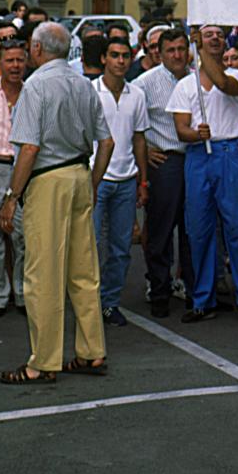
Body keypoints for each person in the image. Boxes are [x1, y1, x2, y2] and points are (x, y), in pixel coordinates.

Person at [0, 22, 113, 384]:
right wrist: (91, 182)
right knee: (83, 270)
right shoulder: (83, 84)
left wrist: (11, 197)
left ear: (36, 49)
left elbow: (29, 148)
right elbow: (106, 142)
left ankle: (43, 361)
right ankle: (91, 351)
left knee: (43, 274)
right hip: (79, 173)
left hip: (49, 179)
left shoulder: (35, 87)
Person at [168, 24, 238, 327]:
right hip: (198, 157)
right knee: (199, 230)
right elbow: (180, 128)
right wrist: (194, 134)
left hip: (229, 155)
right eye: (207, 34)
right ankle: (203, 299)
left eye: (218, 35)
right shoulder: (185, 85)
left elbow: (222, 82)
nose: (214, 38)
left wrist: (200, 44)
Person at [134, 28, 194, 318]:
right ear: (159, 52)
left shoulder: (198, 78)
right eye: (171, 50)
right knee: (160, 231)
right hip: (166, 162)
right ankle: (159, 290)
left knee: (194, 229)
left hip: (196, 159)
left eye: (182, 49)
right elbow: (129, 122)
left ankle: (194, 290)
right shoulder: (145, 83)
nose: (177, 55)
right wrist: (143, 150)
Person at [92, 37, 149, 327]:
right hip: (96, 179)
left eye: (126, 55)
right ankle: (87, 304)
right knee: (91, 245)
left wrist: (143, 180)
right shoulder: (90, 91)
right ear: (104, 59)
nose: (121, 61)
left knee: (120, 248)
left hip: (127, 180)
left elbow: (139, 138)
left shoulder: (136, 94)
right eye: (114, 55)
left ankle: (110, 303)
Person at [0, 39, 27, 317]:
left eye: (19, 60)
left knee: (22, 236)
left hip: (22, 170)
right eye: (10, 60)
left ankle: (23, 295)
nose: (15, 66)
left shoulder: (32, 94)